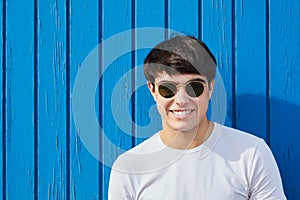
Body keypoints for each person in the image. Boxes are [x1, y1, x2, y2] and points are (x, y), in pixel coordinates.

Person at [108, 35, 286, 199]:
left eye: (194, 87)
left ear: (210, 88)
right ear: (152, 90)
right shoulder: (129, 168)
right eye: (168, 88)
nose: (181, 100)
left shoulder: (251, 154)